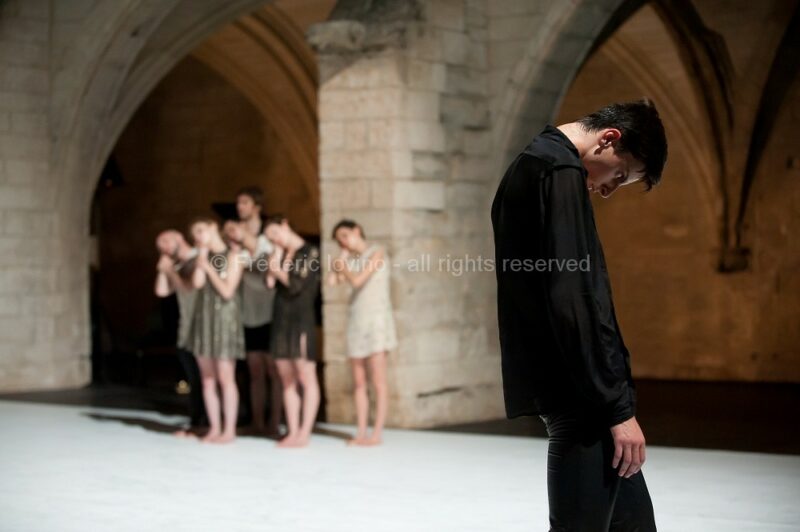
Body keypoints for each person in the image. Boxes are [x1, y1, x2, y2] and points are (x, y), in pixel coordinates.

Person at [490, 100, 667, 531]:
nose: (608, 189)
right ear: (609, 139)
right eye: (618, 176)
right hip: (583, 399)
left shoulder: (536, 163)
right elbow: (575, 300)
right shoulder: (559, 170)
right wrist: (618, 409)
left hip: (578, 392)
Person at [328, 219, 396, 446]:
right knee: (358, 381)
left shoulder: (378, 251)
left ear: (357, 230)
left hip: (376, 321)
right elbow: (332, 281)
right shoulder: (352, 260)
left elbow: (358, 281)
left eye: (345, 236)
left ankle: (376, 433)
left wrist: (342, 267)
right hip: (357, 321)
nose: (344, 242)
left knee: (378, 380)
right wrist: (342, 260)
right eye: (339, 240)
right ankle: (360, 432)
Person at [187, 217, 246, 444]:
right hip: (205, 320)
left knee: (225, 377)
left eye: (201, 230)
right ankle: (214, 427)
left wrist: (210, 268)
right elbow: (198, 284)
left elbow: (228, 291)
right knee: (208, 379)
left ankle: (229, 429)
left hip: (224, 320)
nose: (198, 237)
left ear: (213, 228)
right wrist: (202, 256)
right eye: (195, 234)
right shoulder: (203, 257)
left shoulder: (233, 256)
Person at [264, 215, 321, 448]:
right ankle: (292, 430)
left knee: (306, 376)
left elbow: (296, 284)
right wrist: (277, 255)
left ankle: (305, 432)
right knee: (287, 379)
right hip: (282, 318)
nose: (275, 239)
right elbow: (270, 283)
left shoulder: (310, 252)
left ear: (285, 224)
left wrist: (278, 269)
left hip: (301, 318)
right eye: (269, 238)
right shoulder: (280, 255)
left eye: (276, 233)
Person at [230, 186, 282, 437]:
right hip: (246, 310)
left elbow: (265, 263)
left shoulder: (267, 233)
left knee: (274, 370)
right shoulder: (234, 236)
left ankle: (275, 422)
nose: (240, 207)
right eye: (238, 202)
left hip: (270, 308)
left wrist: (242, 239)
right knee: (254, 371)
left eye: (245, 202)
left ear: (256, 207)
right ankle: (257, 421)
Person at [154, 230, 206, 434]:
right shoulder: (174, 266)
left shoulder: (198, 259)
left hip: (203, 327)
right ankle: (196, 420)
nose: (163, 248)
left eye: (165, 242)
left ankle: (205, 422)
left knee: (204, 379)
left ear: (179, 239)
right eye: (159, 246)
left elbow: (188, 288)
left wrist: (170, 272)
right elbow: (161, 291)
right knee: (192, 377)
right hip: (185, 328)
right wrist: (162, 269)